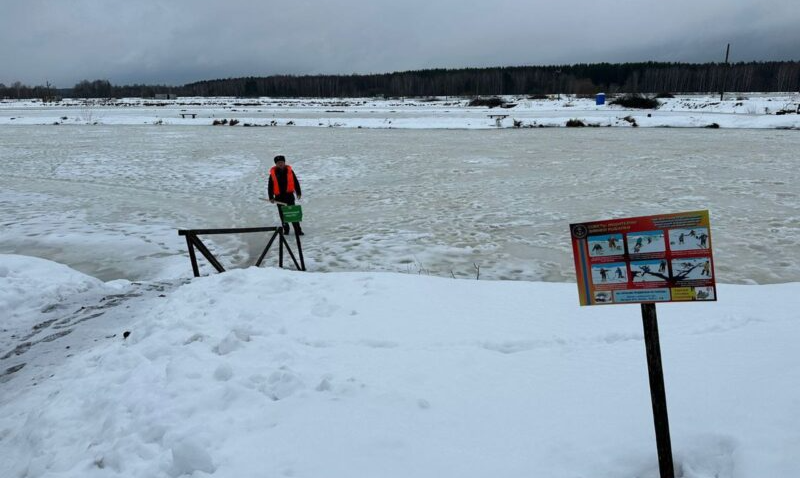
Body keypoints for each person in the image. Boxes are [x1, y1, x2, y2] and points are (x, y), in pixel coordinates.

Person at [268, 155, 303, 235]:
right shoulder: (273, 174)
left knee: (293, 213)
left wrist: (298, 192)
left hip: (289, 196)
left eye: (282, 162)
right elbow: (270, 186)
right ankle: (286, 229)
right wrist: (271, 197)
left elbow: (295, 182)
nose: (280, 164)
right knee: (283, 215)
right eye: (278, 163)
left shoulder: (290, 171)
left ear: (284, 162)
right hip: (279, 197)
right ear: (275, 164)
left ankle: (298, 230)